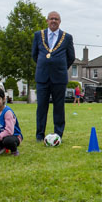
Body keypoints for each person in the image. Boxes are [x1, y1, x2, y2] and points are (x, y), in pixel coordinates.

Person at [32, 11, 75, 142]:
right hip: (42, 77)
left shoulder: (67, 37)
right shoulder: (38, 35)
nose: (53, 21)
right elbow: (35, 55)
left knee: (59, 107)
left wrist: (59, 67)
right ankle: (40, 134)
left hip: (59, 78)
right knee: (41, 107)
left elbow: (71, 57)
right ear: (47, 21)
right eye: (51, 19)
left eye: (56, 19)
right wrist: (44, 64)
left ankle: (58, 133)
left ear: (60, 22)